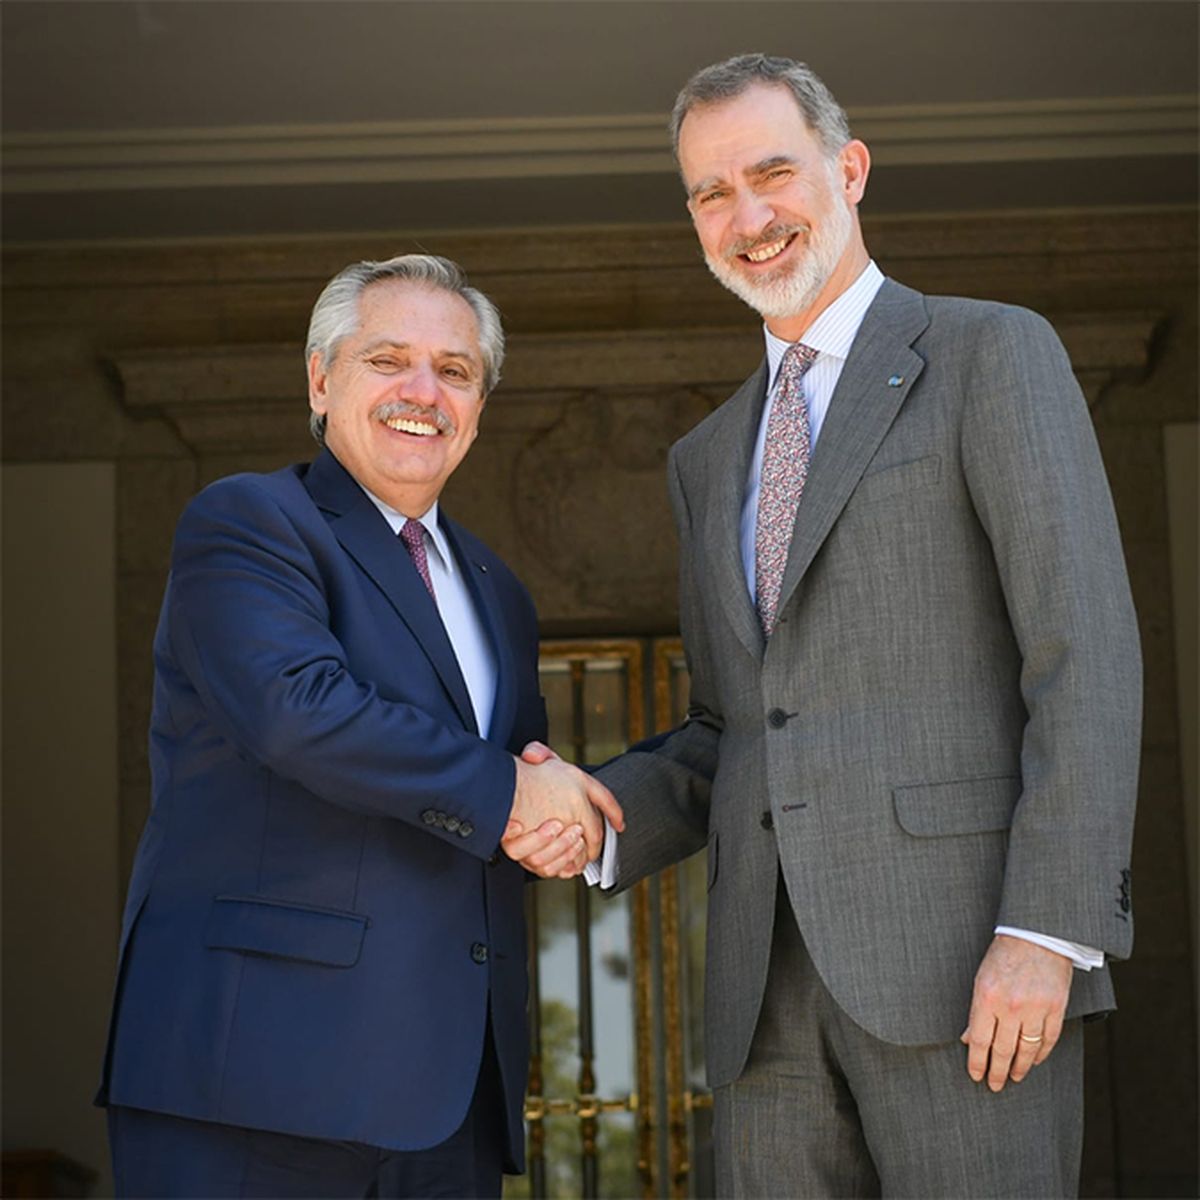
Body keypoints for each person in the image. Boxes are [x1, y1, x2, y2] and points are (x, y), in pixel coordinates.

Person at [515, 54, 1140, 1197]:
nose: (747, 218)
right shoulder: (707, 458)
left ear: (848, 171)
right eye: (712, 193)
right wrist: (593, 817)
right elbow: (734, 727)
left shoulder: (990, 354)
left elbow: (1083, 656)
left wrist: (1047, 932)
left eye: (772, 173)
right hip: (763, 1006)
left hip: (969, 974)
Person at [96, 253, 621, 1199]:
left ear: (479, 406)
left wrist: (547, 812)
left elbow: (501, 789)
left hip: (450, 1102)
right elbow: (297, 709)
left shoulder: (499, 590)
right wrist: (515, 793)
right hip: (257, 1080)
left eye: (455, 371)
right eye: (388, 360)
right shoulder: (250, 521)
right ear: (320, 379)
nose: (424, 392)